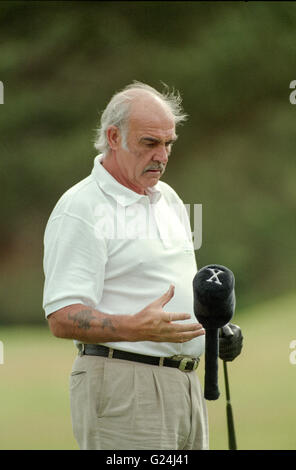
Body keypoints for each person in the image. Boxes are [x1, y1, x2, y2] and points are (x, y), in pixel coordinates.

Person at [43, 81, 242, 450]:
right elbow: (61, 315)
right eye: (150, 143)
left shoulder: (167, 198)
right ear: (114, 137)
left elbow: (169, 287)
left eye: (168, 143)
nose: (162, 155)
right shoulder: (81, 208)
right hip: (124, 384)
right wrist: (133, 327)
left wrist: (214, 332)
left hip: (185, 385)